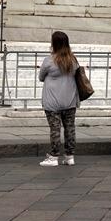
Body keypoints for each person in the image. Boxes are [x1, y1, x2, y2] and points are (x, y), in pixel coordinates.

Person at [38, 31, 79, 167]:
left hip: (52, 100)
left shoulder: (49, 60)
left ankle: (54, 156)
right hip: (70, 99)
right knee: (70, 128)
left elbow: (41, 77)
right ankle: (69, 156)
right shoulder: (73, 60)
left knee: (55, 128)